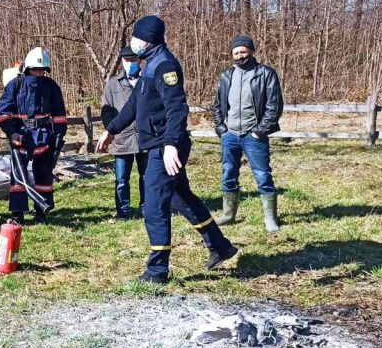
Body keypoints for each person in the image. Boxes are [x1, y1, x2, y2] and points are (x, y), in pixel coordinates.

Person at [97, 15, 238, 284]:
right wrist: (111, 129)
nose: (132, 43)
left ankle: (157, 271)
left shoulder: (164, 66)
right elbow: (134, 107)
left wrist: (170, 144)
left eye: (135, 38)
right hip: (160, 145)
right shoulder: (148, 65)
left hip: (164, 147)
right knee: (179, 197)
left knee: (153, 205)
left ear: (146, 39)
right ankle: (220, 246)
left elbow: (177, 108)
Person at [211, 35, 284, 232]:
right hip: (230, 135)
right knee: (228, 175)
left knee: (263, 176)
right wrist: (222, 129)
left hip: (254, 136)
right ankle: (228, 215)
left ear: (251, 51)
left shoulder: (265, 73)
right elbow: (217, 105)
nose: (239, 56)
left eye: (243, 51)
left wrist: (259, 131)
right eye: (236, 53)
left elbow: (274, 105)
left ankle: (270, 219)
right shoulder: (226, 76)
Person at [0, 47, 68, 225]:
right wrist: (12, 133)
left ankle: (42, 211)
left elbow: (59, 113)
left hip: (44, 137)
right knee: (18, 178)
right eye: (36, 70)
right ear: (27, 68)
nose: (39, 73)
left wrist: (59, 136)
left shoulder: (51, 86)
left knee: (43, 175)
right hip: (21, 136)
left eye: (43, 70)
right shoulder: (15, 84)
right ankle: (18, 213)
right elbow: (3, 113)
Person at [101, 46, 148, 220]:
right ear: (122, 62)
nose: (130, 63)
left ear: (140, 60)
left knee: (146, 177)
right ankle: (123, 211)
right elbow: (106, 110)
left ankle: (146, 208)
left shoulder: (148, 80)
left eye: (134, 60)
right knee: (121, 179)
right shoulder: (113, 83)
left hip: (145, 138)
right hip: (122, 139)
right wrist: (111, 130)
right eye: (127, 61)